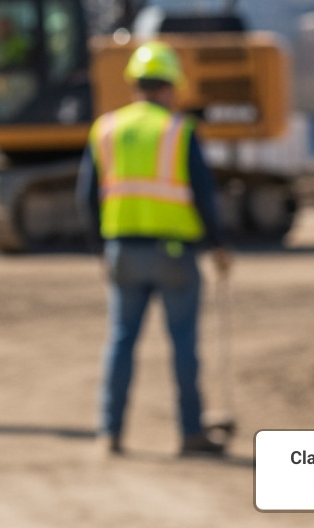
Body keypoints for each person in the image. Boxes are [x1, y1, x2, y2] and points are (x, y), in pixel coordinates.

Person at [77, 41, 231, 457]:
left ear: (135, 85)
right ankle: (190, 433)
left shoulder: (105, 129)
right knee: (183, 344)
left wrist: (100, 249)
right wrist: (218, 246)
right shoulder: (179, 131)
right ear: (167, 88)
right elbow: (204, 195)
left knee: (121, 341)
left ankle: (110, 432)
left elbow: (86, 196)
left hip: (122, 251)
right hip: (174, 253)